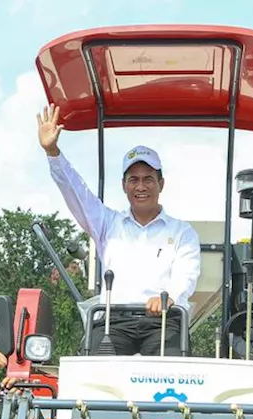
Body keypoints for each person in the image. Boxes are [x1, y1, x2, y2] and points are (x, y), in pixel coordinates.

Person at [37, 103, 201, 356]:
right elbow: (77, 193)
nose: (141, 186)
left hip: (163, 320)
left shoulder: (182, 232)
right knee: (94, 374)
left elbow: (186, 276)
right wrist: (53, 152)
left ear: (161, 184)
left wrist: (168, 297)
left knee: (170, 373)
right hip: (113, 322)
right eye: (133, 179)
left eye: (148, 179)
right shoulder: (107, 223)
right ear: (124, 185)